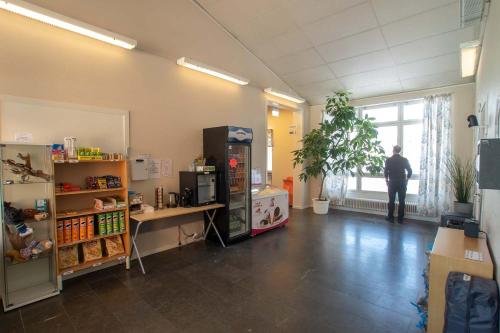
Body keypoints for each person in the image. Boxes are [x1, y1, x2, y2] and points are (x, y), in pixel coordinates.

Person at [384, 145, 412, 223]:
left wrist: (386, 181)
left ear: (393, 150)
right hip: (402, 182)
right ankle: (400, 219)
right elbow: (410, 171)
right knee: (402, 201)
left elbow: (386, 171)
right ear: (400, 151)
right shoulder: (404, 160)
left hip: (392, 182)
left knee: (391, 200)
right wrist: (407, 179)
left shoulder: (388, 160)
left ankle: (390, 218)